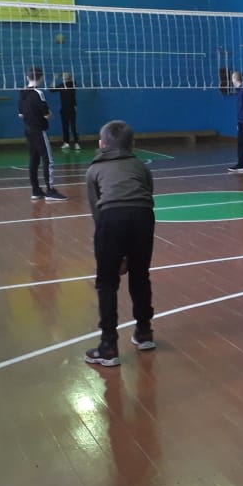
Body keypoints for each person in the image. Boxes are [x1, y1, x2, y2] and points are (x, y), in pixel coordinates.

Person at [84, 120, 156, 367]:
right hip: (143, 217)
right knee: (140, 275)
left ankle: (108, 346)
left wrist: (114, 253)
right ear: (132, 144)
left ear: (101, 144)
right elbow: (147, 196)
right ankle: (144, 332)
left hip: (110, 220)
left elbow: (97, 212)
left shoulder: (93, 170)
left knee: (106, 282)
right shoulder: (140, 166)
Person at [18, 67, 68, 202]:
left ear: (27, 77)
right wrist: (48, 114)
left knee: (33, 159)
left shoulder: (22, 93)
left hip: (28, 130)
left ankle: (35, 190)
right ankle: (50, 191)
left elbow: (21, 114)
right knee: (48, 160)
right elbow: (47, 114)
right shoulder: (38, 93)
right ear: (41, 78)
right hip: (38, 131)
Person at [52, 71, 81, 151]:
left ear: (69, 76)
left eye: (66, 75)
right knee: (65, 126)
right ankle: (66, 143)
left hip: (72, 108)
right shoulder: (62, 85)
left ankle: (76, 143)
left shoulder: (72, 84)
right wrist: (54, 79)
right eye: (64, 75)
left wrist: (67, 76)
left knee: (73, 126)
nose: (64, 76)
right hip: (64, 109)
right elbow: (52, 89)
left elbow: (71, 79)